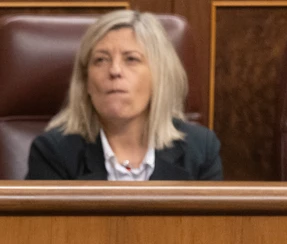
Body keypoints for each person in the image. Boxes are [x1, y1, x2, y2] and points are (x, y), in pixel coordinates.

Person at [26, 10, 222, 181]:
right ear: (85, 82)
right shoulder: (53, 152)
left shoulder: (200, 150)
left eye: (131, 59)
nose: (114, 70)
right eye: (101, 60)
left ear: (159, 76)